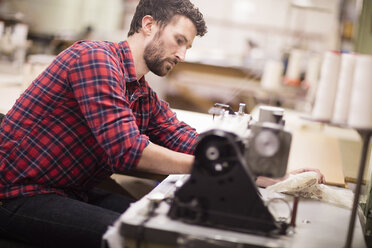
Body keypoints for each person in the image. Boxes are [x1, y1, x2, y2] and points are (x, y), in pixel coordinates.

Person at [0, 0, 324, 247]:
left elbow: (189, 140)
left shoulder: (141, 93)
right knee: (141, 238)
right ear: (149, 25)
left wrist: (277, 176)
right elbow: (127, 151)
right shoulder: (94, 59)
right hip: (18, 194)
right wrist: (212, 166)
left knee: (164, 221)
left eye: (188, 46)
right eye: (179, 40)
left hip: (70, 192)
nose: (183, 55)